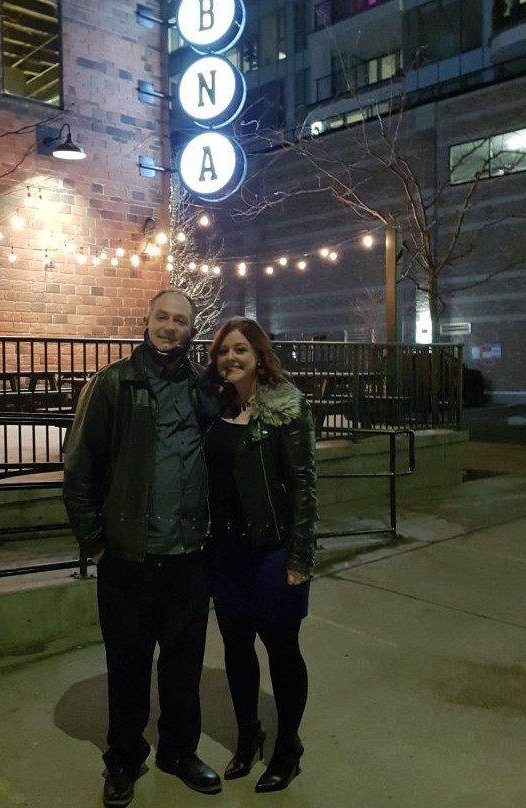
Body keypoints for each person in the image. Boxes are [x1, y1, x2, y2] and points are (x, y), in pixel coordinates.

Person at [62, 290, 221, 808]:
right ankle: (123, 760)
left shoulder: (204, 387)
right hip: (129, 558)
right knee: (128, 667)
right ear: (146, 321)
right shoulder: (113, 383)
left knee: (184, 667)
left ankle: (179, 752)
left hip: (189, 556)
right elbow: (78, 469)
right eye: (162, 317)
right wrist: (94, 544)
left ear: (191, 331)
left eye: (180, 321)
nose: (170, 327)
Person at [200, 316, 318, 793]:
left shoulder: (285, 408)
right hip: (224, 552)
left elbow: (304, 484)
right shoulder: (215, 405)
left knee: (282, 650)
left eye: (240, 350)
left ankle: (288, 746)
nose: (230, 358)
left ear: (258, 355)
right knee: (236, 649)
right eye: (223, 350)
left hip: (272, 550)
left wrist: (300, 558)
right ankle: (249, 734)